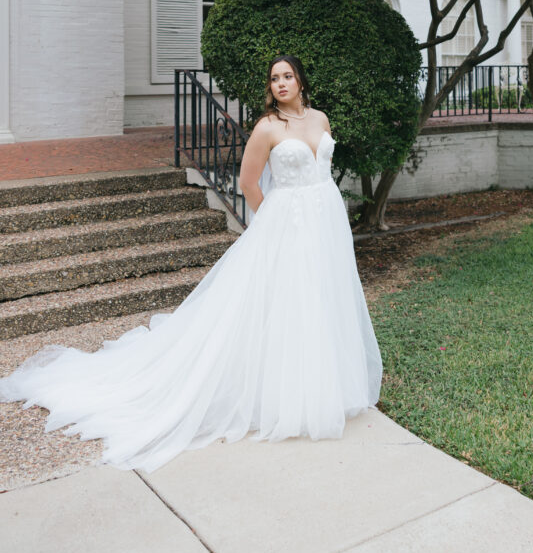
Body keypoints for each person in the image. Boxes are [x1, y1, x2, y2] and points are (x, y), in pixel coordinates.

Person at [0, 56, 382, 472]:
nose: (281, 83)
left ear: (301, 80)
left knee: (321, 296)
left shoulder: (321, 119)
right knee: (285, 301)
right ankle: (284, 397)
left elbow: (324, 172)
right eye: (274, 79)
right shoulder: (267, 128)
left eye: (287, 76)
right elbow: (249, 183)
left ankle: (323, 386)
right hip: (286, 222)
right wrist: (275, 222)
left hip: (325, 218)